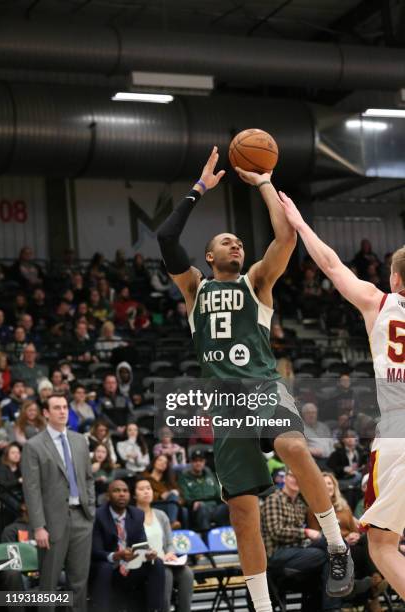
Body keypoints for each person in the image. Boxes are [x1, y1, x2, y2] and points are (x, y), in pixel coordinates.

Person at [157, 147, 353, 610]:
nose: (236, 245)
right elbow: (166, 237)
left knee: (292, 446)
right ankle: (263, 609)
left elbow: (284, 236)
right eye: (226, 242)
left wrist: (264, 181)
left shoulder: (257, 283)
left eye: (239, 242)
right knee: (243, 515)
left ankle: (337, 545)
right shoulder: (195, 289)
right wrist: (200, 188)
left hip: (262, 386)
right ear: (208, 256)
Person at [279, 191, 405, 599]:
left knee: (382, 544)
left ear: (395, 279)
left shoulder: (378, 302)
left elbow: (331, 265)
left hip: (398, 436)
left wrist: (299, 223)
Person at [21, 392, 95, 612]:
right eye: (57, 408)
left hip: (81, 519)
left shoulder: (80, 440)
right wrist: (38, 526)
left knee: (79, 583)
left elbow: (89, 478)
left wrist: (90, 510)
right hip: (51, 524)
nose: (62, 411)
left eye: (65, 407)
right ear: (46, 413)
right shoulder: (34, 445)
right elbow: (31, 490)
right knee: (49, 585)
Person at [261, 469, 341, 612]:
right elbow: (276, 532)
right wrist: (305, 532)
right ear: (285, 478)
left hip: (298, 554)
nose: (296, 479)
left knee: (329, 555)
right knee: (328, 553)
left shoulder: (300, 504)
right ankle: (334, 606)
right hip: (277, 556)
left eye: (299, 477)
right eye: (292, 475)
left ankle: (331, 607)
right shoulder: (274, 499)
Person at [308, 473, 387, 612]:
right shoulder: (314, 508)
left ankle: (375, 578)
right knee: (351, 551)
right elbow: (316, 536)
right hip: (332, 546)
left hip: (350, 546)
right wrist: (343, 539)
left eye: (330, 483)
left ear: (335, 486)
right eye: (324, 483)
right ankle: (369, 590)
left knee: (367, 538)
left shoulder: (344, 506)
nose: (328, 486)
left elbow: (354, 529)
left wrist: (354, 535)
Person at [91, 479, 165, 612]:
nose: (121, 494)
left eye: (125, 491)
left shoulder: (137, 514)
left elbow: (142, 542)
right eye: (116, 491)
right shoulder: (98, 515)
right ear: (108, 496)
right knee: (104, 568)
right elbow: (95, 551)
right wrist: (116, 555)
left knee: (157, 563)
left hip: (131, 566)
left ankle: (155, 609)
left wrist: (148, 554)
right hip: (110, 567)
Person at [135, 477, 194, 612]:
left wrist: (170, 553)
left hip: (166, 561)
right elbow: (136, 544)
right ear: (134, 494)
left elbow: (169, 542)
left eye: (148, 488)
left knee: (187, 573)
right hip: (145, 561)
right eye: (141, 489)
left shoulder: (161, 515)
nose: (146, 492)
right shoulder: (132, 516)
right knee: (165, 573)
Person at [178, 450, 229, 532]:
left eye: (201, 461)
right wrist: (194, 503)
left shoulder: (210, 475)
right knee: (202, 507)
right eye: (195, 461)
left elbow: (218, 493)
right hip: (197, 509)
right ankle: (206, 538)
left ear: (204, 462)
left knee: (230, 506)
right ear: (190, 462)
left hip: (214, 508)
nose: (198, 463)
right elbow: (186, 497)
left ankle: (226, 538)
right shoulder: (184, 478)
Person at [143, 454, 186, 528]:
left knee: (184, 509)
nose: (162, 463)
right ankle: (172, 522)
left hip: (169, 505)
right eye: (160, 460)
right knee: (172, 497)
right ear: (154, 462)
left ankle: (184, 533)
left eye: (165, 462)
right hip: (152, 505)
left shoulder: (169, 481)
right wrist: (160, 495)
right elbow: (142, 495)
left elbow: (182, 497)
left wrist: (177, 498)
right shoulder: (144, 477)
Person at [301, 402, 335, 469]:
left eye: (313, 412)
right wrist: (309, 450)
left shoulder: (323, 427)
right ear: (303, 414)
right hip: (315, 460)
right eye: (308, 413)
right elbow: (298, 446)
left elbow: (331, 442)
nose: (311, 415)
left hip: (331, 459)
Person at [0, 442, 23, 517]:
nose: (16, 455)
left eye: (18, 453)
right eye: (13, 453)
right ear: (7, 455)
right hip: (8, 496)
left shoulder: (22, 467)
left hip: (21, 494)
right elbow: (2, 485)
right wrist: (18, 481)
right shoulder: (1, 468)